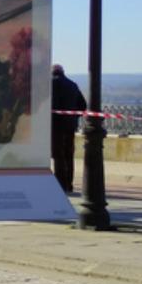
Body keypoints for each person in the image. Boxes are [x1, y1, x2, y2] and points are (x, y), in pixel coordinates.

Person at [51, 64, 87, 193]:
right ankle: (69, 184)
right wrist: (74, 117)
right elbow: (83, 105)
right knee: (68, 154)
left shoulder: (51, 84)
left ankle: (60, 184)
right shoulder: (73, 84)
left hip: (55, 125)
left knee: (58, 155)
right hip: (70, 126)